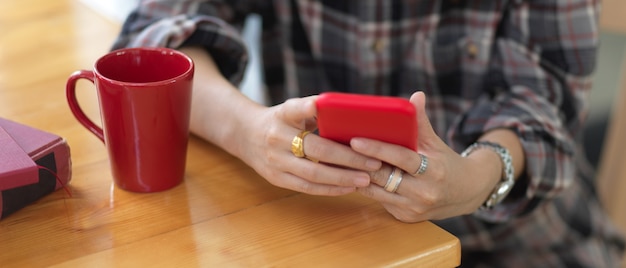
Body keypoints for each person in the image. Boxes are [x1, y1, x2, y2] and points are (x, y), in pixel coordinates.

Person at [113, 0, 625, 266]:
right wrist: (248, 131)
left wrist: (471, 179)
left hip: (516, 241)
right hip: (321, 234)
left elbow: (543, 106)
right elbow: (153, 35)